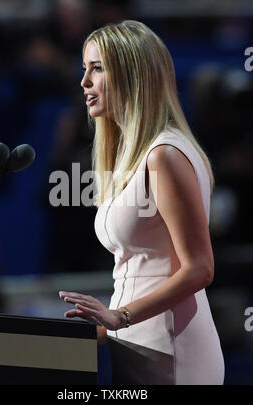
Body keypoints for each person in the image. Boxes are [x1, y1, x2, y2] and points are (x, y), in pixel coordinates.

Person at [59, 20, 225, 385]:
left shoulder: (164, 154)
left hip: (172, 349)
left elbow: (200, 268)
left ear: (131, 75)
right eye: (84, 69)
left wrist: (122, 317)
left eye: (97, 68)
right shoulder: (132, 158)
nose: (84, 82)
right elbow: (137, 275)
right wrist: (99, 327)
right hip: (135, 346)